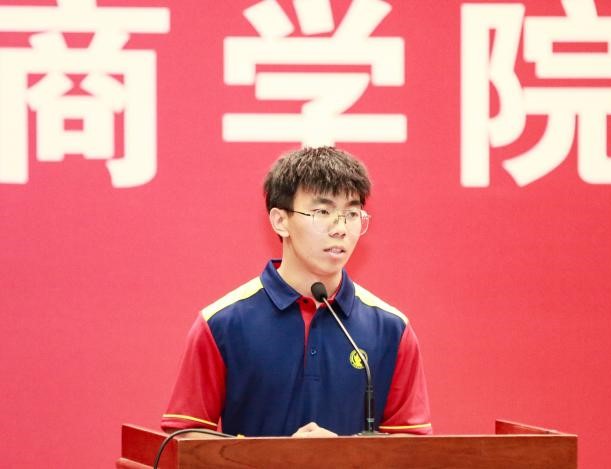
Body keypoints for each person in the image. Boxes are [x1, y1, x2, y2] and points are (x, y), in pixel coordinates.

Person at [161, 146, 431, 437]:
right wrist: (280, 456)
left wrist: (343, 454)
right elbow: (185, 438)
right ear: (280, 221)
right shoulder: (222, 323)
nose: (340, 228)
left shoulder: (391, 329)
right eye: (322, 212)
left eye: (352, 213)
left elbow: (411, 445)